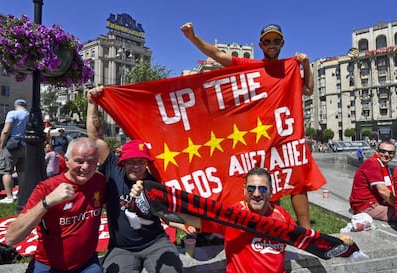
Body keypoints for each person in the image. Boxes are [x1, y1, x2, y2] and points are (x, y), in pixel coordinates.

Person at [180, 22, 314, 228]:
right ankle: (270, 225)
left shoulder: (290, 66)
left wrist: (305, 64)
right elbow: (218, 54)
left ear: (282, 43)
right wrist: (193, 37)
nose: (272, 44)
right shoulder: (251, 66)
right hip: (259, 135)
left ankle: (306, 231)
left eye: (276, 41)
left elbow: (308, 90)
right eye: (267, 41)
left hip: (286, 133)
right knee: (268, 180)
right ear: (261, 45)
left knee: (297, 179)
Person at [130, 167, 354, 273]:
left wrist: (339, 242)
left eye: (262, 188)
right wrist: (149, 198)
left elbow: (303, 239)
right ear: (244, 190)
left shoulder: (281, 216)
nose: (257, 193)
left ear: (270, 191)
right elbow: (189, 217)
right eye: (252, 188)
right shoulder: (231, 216)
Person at [87, 88, 183, 273]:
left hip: (156, 243)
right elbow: (95, 138)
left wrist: (185, 223)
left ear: (147, 163)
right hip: (121, 248)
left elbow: (170, 211)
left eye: (140, 161)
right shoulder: (112, 168)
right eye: (131, 162)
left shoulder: (157, 178)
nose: (136, 166)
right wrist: (92, 103)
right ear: (123, 162)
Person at [5, 137, 106, 273]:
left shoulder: (100, 182)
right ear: (67, 161)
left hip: (86, 263)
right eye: (79, 161)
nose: (85, 167)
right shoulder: (47, 188)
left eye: (91, 161)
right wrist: (47, 202)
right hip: (49, 265)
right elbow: (12, 238)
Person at [350, 140, 397, 221]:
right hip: (367, 206)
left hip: (374, 204)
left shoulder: (384, 166)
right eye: (383, 151)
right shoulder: (372, 163)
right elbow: (383, 191)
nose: (386, 155)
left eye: (390, 152)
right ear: (377, 152)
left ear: (394, 155)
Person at [0, 99, 29, 204]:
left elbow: (6, 131)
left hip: (12, 145)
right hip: (25, 145)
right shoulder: (30, 115)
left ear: (15, 105)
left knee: (6, 171)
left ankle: (9, 197)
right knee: (22, 171)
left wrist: (1, 145)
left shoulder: (12, 113)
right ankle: (21, 193)